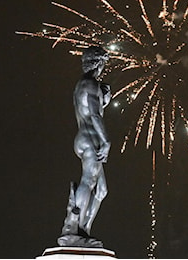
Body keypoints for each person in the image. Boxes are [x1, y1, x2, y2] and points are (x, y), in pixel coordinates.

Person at [58, 46, 111, 248]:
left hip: (84, 137)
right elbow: (95, 115)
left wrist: (105, 98)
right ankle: (72, 227)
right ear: (98, 63)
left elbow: (92, 108)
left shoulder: (83, 84)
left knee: (102, 190)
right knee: (89, 181)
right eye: (103, 64)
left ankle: (84, 230)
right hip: (90, 138)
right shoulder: (90, 83)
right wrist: (106, 141)